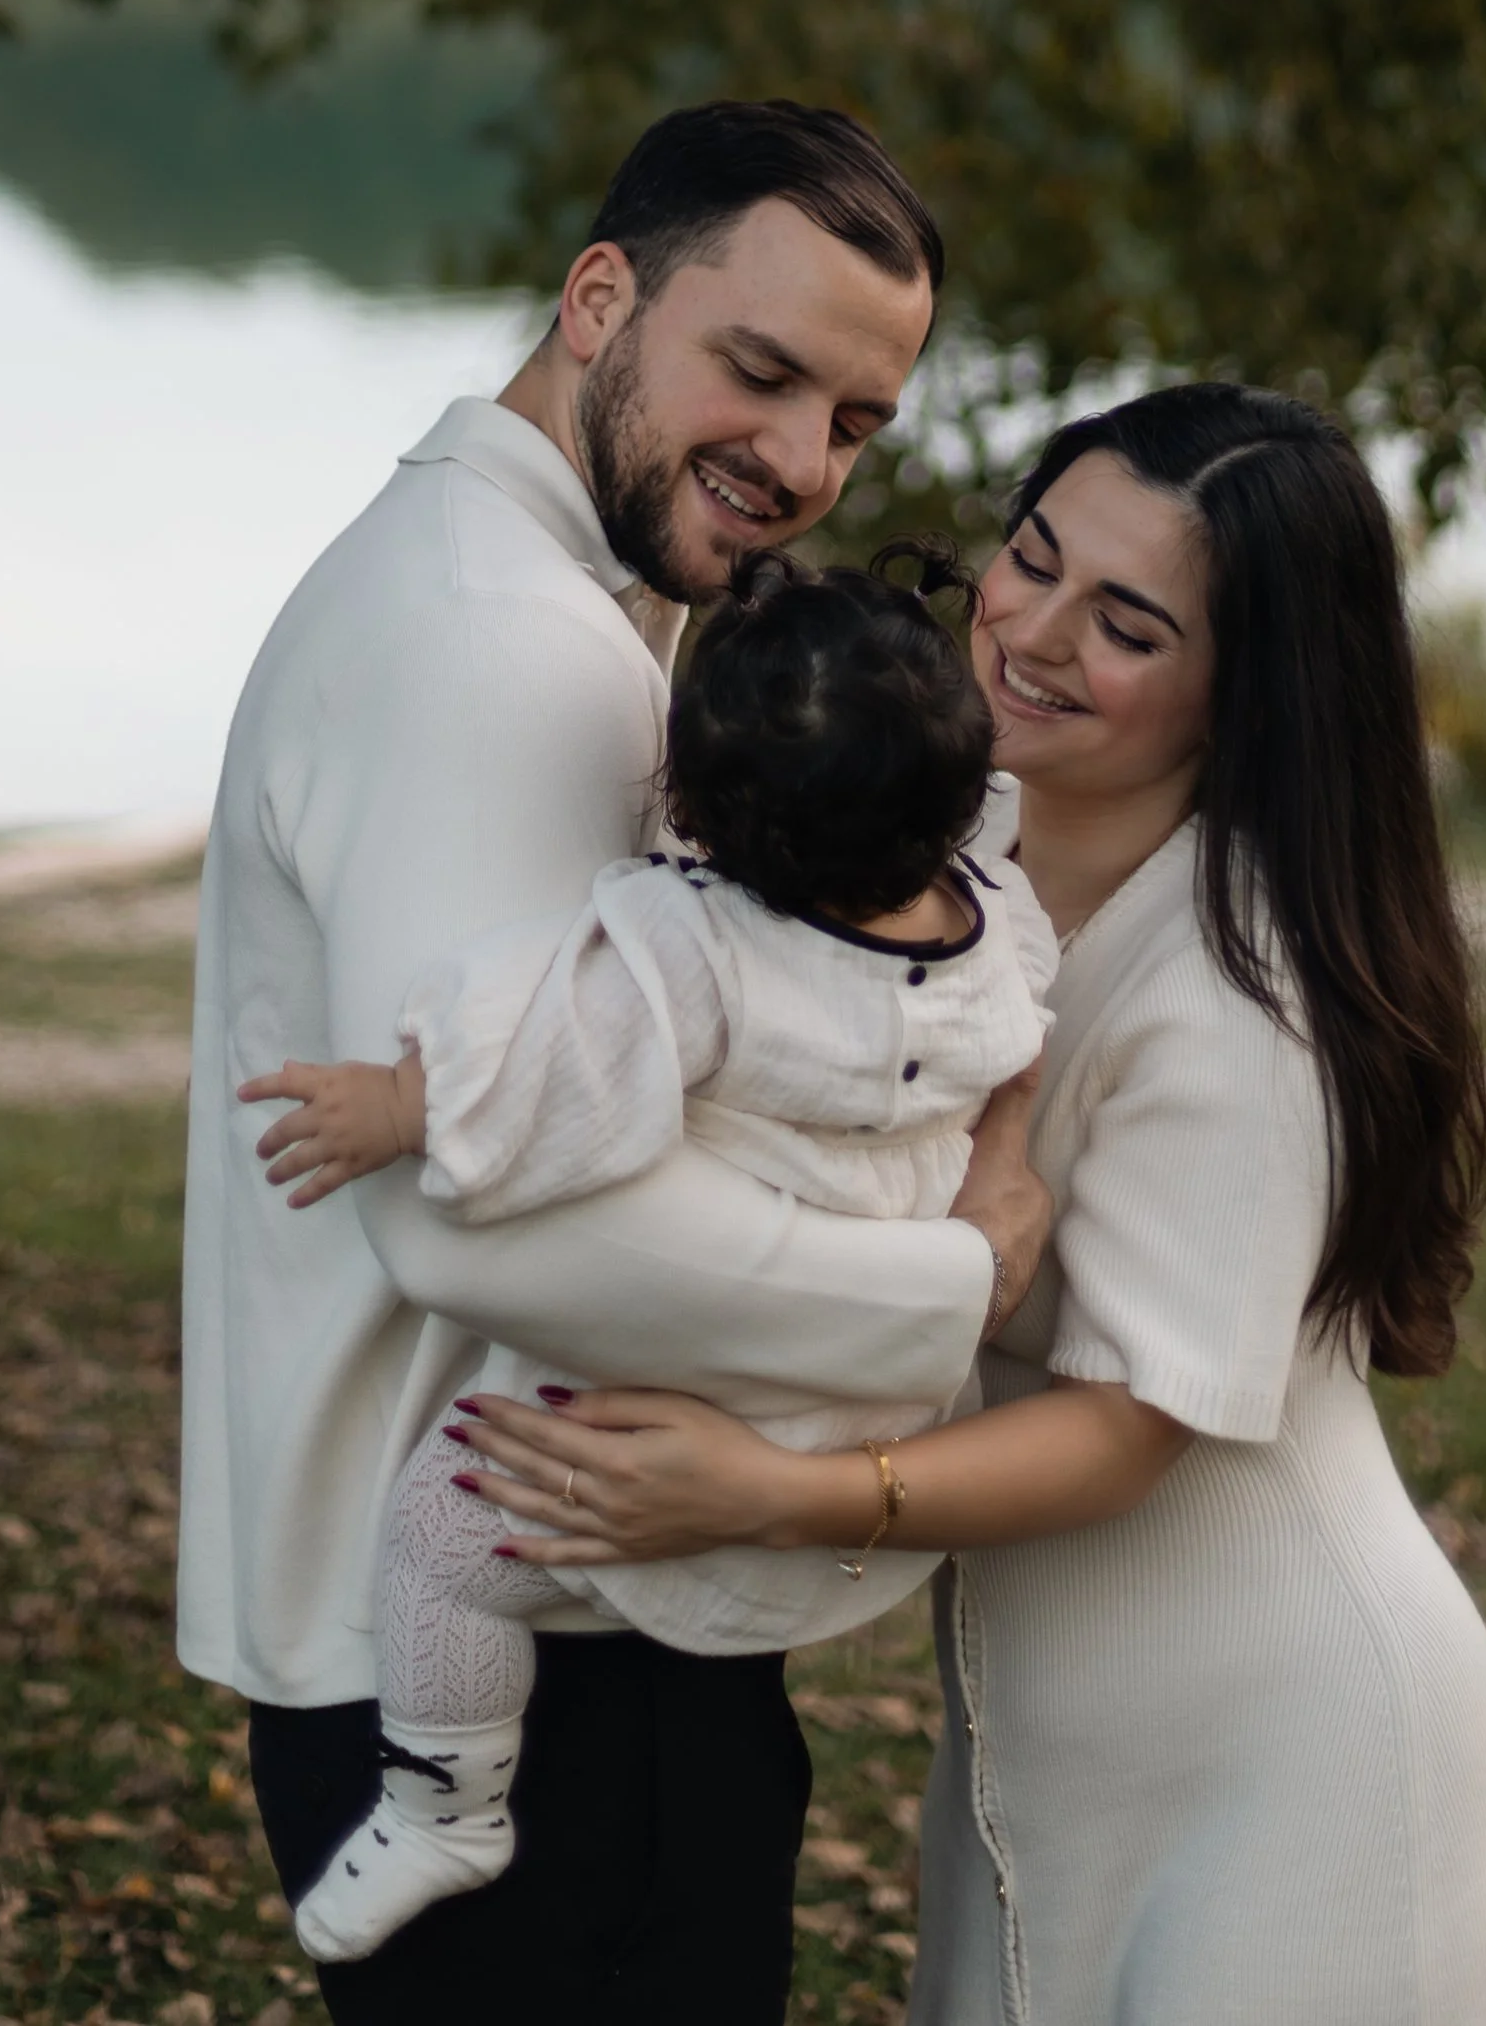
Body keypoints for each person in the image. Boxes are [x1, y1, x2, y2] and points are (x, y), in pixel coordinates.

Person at [457, 382, 1486, 2026]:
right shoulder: (938, 836)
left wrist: (766, 1489)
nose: (1026, 630)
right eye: (1028, 556)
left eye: (1124, 622)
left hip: (1295, 1750)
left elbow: (1129, 1424)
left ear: (1242, 691)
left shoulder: (1245, 994)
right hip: (1047, 1733)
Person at [175, 99, 1051, 2026]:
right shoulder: (512, 648)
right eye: (759, 371)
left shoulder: (503, 589)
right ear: (598, 297)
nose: (803, 461)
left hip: (531, 1608)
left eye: (857, 422)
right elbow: (477, 1214)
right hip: (528, 1647)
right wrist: (952, 1281)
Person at [242, 549, 1056, 1964]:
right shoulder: (997, 931)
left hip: (690, 1388)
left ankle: (447, 1797)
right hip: (867, 1407)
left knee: (440, 1534)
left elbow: (549, 1076)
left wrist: (401, 1101)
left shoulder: (698, 954)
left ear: (695, 809)